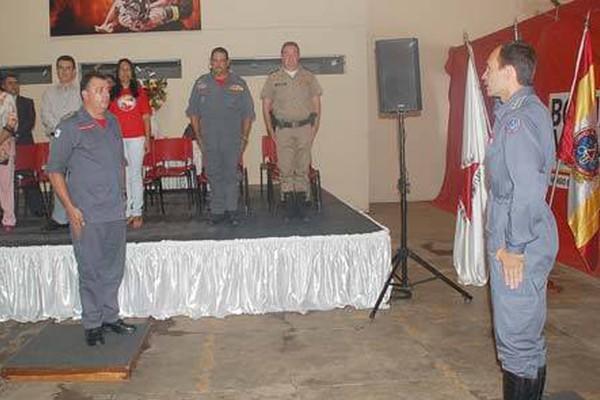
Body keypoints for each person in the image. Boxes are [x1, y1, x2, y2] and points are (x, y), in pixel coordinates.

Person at [482, 41, 558, 399]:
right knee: (527, 337)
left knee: (516, 343)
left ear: (509, 73)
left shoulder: (518, 120)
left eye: (489, 68)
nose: (484, 75)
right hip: (524, 230)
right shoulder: (527, 109)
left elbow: (526, 189)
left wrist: (513, 247)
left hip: (518, 236)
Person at [46, 72, 136, 346]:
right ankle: (93, 323)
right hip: (86, 213)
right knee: (90, 270)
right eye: (99, 90)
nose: (105, 95)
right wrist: (70, 208)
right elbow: (54, 171)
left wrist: (123, 198)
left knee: (113, 268)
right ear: (84, 94)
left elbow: (120, 164)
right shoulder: (70, 126)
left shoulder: (112, 122)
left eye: (107, 91)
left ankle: (110, 317)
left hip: (113, 211)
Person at [187, 47, 254, 225]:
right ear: (210, 62)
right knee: (214, 175)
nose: (218, 64)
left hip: (232, 140)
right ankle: (217, 211)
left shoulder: (239, 84)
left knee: (231, 175)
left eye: (221, 60)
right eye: (215, 60)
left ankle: (232, 210)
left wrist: (244, 138)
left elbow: (248, 114)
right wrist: (199, 137)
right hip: (209, 140)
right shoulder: (201, 84)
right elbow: (193, 112)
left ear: (228, 62)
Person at [260, 41, 322, 221]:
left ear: (299, 56)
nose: (290, 57)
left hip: (304, 128)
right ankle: (289, 208)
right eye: (286, 53)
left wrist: (314, 129)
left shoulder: (309, 77)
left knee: (302, 168)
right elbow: (266, 106)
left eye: (294, 53)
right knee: (285, 169)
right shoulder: (273, 78)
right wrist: (271, 131)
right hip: (283, 130)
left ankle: (301, 208)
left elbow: (317, 104)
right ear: (281, 56)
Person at [41, 55, 82, 231]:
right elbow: (45, 114)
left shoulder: (82, 91)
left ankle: (78, 215)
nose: (64, 71)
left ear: (74, 71)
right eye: (61, 68)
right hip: (56, 141)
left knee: (78, 180)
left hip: (78, 143)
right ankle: (59, 218)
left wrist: (69, 131)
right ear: (56, 70)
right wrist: (60, 130)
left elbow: (83, 114)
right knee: (58, 179)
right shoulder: (49, 93)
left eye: (68, 68)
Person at [109, 58, 152, 229]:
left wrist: (147, 139)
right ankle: (126, 211)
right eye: (121, 69)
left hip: (136, 138)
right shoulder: (112, 93)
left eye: (128, 69)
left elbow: (146, 117)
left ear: (132, 72)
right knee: (124, 176)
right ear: (117, 73)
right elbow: (109, 119)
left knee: (135, 175)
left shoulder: (140, 91)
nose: (125, 72)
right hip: (119, 139)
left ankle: (137, 212)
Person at [1, 73, 46, 217]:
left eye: (16, 83)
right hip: (4, 146)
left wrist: (13, 135)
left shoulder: (27, 102)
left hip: (23, 145)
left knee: (28, 178)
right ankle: (6, 213)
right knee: (5, 182)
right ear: (3, 86)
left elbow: (29, 123)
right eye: (10, 83)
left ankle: (39, 211)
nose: (14, 86)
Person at [0, 88, 18, 232]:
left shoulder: (7, 98)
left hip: (4, 145)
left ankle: (8, 218)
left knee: (5, 183)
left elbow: (12, 123)